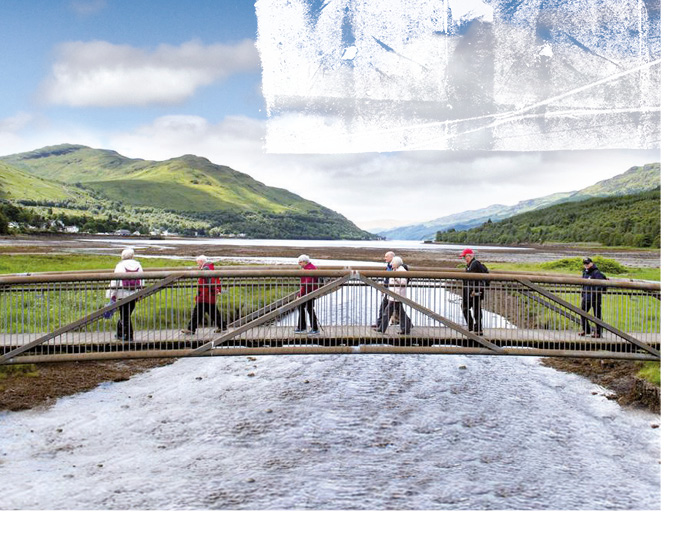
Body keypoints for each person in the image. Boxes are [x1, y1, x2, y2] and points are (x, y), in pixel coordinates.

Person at [106, 247, 144, 342]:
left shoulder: (120, 265)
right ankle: (120, 333)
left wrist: (112, 294)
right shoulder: (138, 265)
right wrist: (141, 292)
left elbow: (115, 281)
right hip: (134, 293)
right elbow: (142, 279)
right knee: (126, 314)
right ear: (132, 255)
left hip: (122, 294)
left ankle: (129, 336)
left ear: (122, 256)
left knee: (124, 315)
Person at [181, 255, 226, 334]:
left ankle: (191, 329)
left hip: (205, 295)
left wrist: (213, 290)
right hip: (208, 295)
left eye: (198, 263)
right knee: (213, 312)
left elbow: (209, 281)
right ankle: (222, 326)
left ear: (201, 261)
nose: (197, 265)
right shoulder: (209, 267)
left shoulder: (206, 268)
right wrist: (215, 291)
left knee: (197, 313)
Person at [377, 256, 412, 335]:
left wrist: (395, 277)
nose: (391, 264)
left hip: (397, 295)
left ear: (397, 263)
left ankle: (381, 329)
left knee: (387, 312)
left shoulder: (402, 270)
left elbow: (403, 283)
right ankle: (406, 329)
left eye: (392, 262)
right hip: (394, 295)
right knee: (401, 313)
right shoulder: (395, 270)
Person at [460, 248, 488, 335]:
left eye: (465, 257)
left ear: (469, 256)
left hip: (474, 291)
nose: (464, 259)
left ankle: (475, 328)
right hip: (471, 291)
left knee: (473, 309)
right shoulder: (471, 265)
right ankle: (475, 328)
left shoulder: (475, 263)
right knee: (472, 308)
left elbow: (471, 276)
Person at [579, 257, 608, 338]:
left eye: (588, 263)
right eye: (585, 263)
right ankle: (586, 330)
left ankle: (598, 332)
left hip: (595, 297)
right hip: (586, 296)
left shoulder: (596, 272)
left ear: (591, 263)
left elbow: (602, 284)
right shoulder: (585, 272)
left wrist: (596, 292)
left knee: (597, 315)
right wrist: (583, 293)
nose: (586, 265)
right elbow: (583, 284)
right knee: (582, 313)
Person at [295, 254, 320, 335]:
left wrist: (299, 294)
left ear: (305, 262)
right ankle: (304, 327)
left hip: (309, 292)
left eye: (300, 262)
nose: (299, 263)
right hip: (310, 292)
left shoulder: (309, 269)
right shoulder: (309, 267)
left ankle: (312, 328)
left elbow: (307, 284)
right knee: (306, 308)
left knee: (308, 309)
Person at [372, 251, 395, 330]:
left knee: (385, 307)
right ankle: (379, 324)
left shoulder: (395, 266)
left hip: (393, 291)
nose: (385, 258)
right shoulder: (389, 265)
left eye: (386, 257)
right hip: (389, 290)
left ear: (392, 257)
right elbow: (387, 278)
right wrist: (384, 287)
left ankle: (380, 326)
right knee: (396, 309)